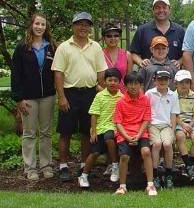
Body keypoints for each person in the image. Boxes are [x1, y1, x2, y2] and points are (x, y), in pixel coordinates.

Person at [51, 12, 107, 181]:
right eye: (80, 24)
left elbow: (101, 71)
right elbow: (58, 73)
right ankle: (63, 166)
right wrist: (61, 97)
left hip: (90, 93)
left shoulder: (95, 46)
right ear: (73, 26)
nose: (83, 27)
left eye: (86, 24)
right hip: (69, 93)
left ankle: (84, 164)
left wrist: (101, 89)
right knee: (65, 131)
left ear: (90, 27)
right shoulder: (64, 47)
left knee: (86, 131)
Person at [11, 13, 56, 180]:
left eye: (43, 24)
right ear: (31, 25)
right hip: (28, 97)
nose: (39, 27)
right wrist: (18, 98)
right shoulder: (22, 47)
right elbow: (15, 74)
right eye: (37, 23)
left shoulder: (51, 46)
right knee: (29, 133)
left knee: (46, 133)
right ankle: (30, 168)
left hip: (48, 96)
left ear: (46, 27)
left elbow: (56, 72)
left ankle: (46, 166)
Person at [112, 71, 156, 196]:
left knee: (146, 152)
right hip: (124, 134)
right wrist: (127, 137)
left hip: (141, 133)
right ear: (125, 86)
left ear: (141, 85)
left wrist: (139, 134)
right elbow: (118, 123)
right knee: (124, 157)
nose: (133, 86)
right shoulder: (120, 102)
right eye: (130, 83)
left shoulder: (145, 99)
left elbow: (146, 119)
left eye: (136, 83)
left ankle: (150, 185)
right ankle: (122, 186)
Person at [78, 68, 122, 188]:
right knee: (95, 152)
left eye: (115, 80)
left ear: (119, 82)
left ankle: (114, 165)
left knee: (109, 136)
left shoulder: (122, 97)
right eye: (109, 80)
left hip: (114, 129)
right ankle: (84, 175)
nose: (112, 82)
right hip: (100, 129)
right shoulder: (100, 96)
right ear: (104, 81)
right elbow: (94, 114)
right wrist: (93, 131)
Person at [145, 70, 179, 188]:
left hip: (166, 125)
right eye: (160, 79)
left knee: (168, 144)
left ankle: (168, 174)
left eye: (165, 79)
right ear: (154, 80)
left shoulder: (173, 95)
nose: (162, 82)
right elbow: (146, 111)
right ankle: (155, 175)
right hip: (152, 125)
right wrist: (148, 126)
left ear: (169, 81)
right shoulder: (149, 93)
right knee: (157, 144)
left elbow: (173, 114)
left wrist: (173, 130)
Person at [130, 0, 185, 68]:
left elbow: (186, 53)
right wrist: (140, 62)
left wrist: (179, 62)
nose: (161, 10)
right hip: (148, 76)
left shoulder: (179, 30)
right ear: (153, 10)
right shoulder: (142, 30)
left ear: (169, 9)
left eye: (164, 7)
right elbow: (133, 53)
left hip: (173, 77)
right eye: (157, 7)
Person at [174, 70, 194, 180]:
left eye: (186, 82)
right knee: (180, 136)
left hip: (191, 122)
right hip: (178, 122)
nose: (184, 85)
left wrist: (190, 125)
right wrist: (183, 125)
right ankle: (188, 165)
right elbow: (174, 115)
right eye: (181, 82)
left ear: (190, 83)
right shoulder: (172, 96)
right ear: (176, 84)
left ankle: (191, 163)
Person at [101, 23, 132, 92]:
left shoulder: (127, 54)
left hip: (122, 95)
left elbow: (129, 79)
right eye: (109, 36)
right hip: (105, 96)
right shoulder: (99, 55)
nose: (113, 38)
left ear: (119, 37)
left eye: (116, 35)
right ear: (103, 38)